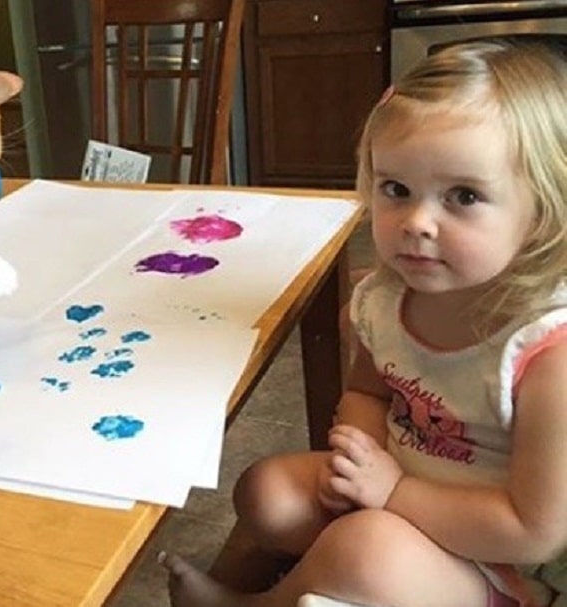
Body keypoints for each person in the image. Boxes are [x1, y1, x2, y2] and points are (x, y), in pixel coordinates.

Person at [159, 37, 567, 607]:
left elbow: (533, 531)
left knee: (363, 550)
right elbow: (367, 393)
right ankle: (291, 570)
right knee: (265, 491)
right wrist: (356, 457)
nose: (417, 222)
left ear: (543, 211)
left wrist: (394, 494)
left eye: (464, 196)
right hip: (394, 488)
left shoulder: (548, 354)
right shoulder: (387, 298)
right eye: (396, 189)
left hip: (495, 568)